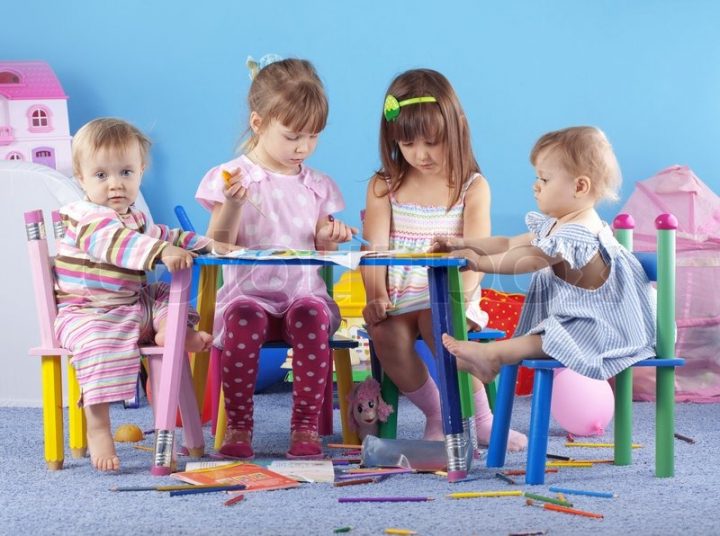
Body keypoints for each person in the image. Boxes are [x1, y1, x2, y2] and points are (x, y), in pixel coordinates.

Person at [54, 118, 238, 472]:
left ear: (141, 171)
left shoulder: (134, 216)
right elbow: (119, 244)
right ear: (80, 178)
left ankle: (171, 329)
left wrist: (209, 244)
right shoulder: (85, 217)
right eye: (101, 175)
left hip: (132, 303)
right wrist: (160, 253)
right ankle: (98, 427)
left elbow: (167, 235)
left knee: (170, 294)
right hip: (88, 312)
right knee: (96, 346)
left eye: (125, 172)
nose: (115, 185)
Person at [196, 56, 355, 460]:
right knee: (242, 318)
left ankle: (303, 426)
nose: (303, 147)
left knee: (311, 316)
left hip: (305, 296)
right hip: (249, 297)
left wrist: (328, 235)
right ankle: (238, 423)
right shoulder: (233, 177)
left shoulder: (317, 186)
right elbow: (218, 246)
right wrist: (231, 205)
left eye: (313, 136)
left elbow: (326, 255)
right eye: (292, 136)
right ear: (258, 123)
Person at [360, 68, 527, 451]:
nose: (421, 154)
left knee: (439, 322)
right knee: (385, 334)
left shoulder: (472, 186)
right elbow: (374, 253)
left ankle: (480, 419)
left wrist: (457, 295)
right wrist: (375, 296)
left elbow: (475, 254)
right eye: (407, 143)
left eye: (432, 142)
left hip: (452, 295)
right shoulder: (384, 185)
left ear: (457, 129)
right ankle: (437, 413)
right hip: (399, 298)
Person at [440, 126, 656, 384]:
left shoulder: (579, 232)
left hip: (608, 327)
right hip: (580, 320)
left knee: (552, 334)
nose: (536, 186)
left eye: (544, 179)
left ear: (579, 186)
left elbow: (529, 258)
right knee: (550, 331)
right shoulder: (557, 224)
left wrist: (480, 263)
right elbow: (508, 243)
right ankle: (491, 358)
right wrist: (464, 243)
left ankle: (492, 356)